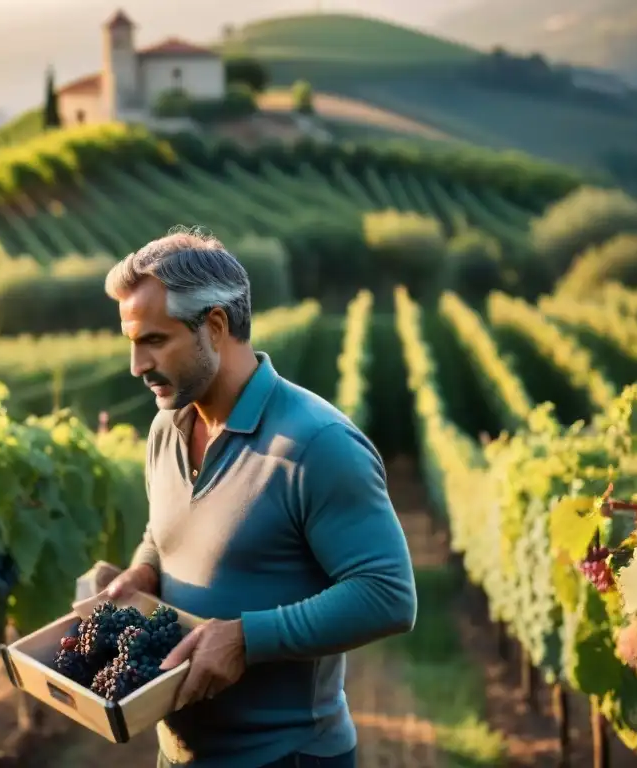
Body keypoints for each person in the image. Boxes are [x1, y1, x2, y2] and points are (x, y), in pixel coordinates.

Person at [98, 228, 418, 768]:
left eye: (154, 340)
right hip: (177, 754)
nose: (137, 365)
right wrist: (145, 570)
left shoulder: (318, 445)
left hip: (285, 757)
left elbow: (387, 594)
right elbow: (165, 530)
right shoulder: (165, 428)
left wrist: (247, 639)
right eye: (131, 342)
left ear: (215, 326)